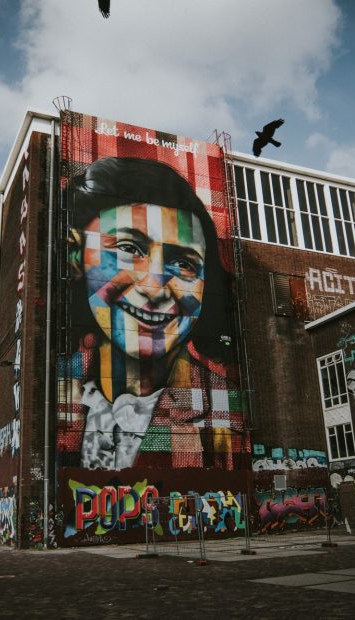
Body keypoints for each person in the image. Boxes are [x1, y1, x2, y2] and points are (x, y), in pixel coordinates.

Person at [58, 157, 249, 471]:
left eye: (184, 264)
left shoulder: (223, 404)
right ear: (77, 255)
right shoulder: (59, 383)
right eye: (129, 249)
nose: (155, 287)